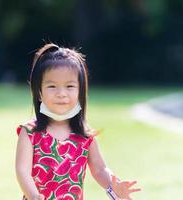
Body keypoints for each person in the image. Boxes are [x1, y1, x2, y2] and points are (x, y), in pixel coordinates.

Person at [15, 43, 141, 200]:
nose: (61, 93)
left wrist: (114, 186)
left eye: (69, 86)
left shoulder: (84, 134)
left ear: (80, 91)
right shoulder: (30, 132)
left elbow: (100, 169)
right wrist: (34, 196)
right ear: (39, 93)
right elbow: (22, 170)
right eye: (52, 86)